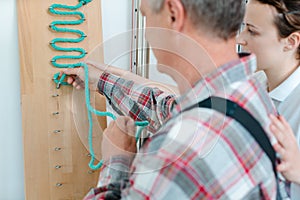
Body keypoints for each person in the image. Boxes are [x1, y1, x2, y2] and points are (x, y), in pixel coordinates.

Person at [65, 0, 279, 198]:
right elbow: (165, 109)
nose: (147, 32)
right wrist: (103, 81)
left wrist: (116, 162)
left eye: (146, 15)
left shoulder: (177, 154)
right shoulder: (249, 94)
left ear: (173, 15)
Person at [236, 0, 300, 198]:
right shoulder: (255, 83)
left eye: (252, 31)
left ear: (291, 42)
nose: (240, 39)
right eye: (244, 27)